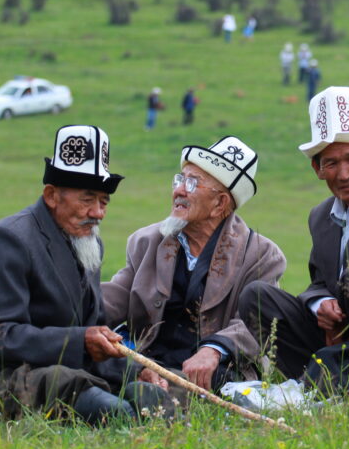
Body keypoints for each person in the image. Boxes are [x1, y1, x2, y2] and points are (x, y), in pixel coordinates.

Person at [0, 125, 174, 424]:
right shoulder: (10, 239)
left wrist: (134, 370)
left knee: (153, 393)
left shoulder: (89, 244)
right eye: (87, 199)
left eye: (103, 201)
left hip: (69, 371)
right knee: (108, 408)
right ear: (51, 196)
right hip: (0, 378)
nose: (98, 212)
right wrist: (80, 341)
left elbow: (92, 332)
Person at [239, 86, 349, 381]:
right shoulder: (320, 215)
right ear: (317, 169)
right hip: (331, 336)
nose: (344, 174)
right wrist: (320, 303)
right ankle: (313, 381)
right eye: (331, 163)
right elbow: (320, 282)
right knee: (255, 296)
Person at [102, 137, 286, 396]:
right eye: (179, 180)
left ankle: (144, 397)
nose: (179, 190)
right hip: (148, 362)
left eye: (192, 183)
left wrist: (214, 349)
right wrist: (78, 310)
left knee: (144, 392)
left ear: (220, 203)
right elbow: (118, 295)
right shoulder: (146, 241)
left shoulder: (261, 255)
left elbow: (257, 322)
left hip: (213, 373)